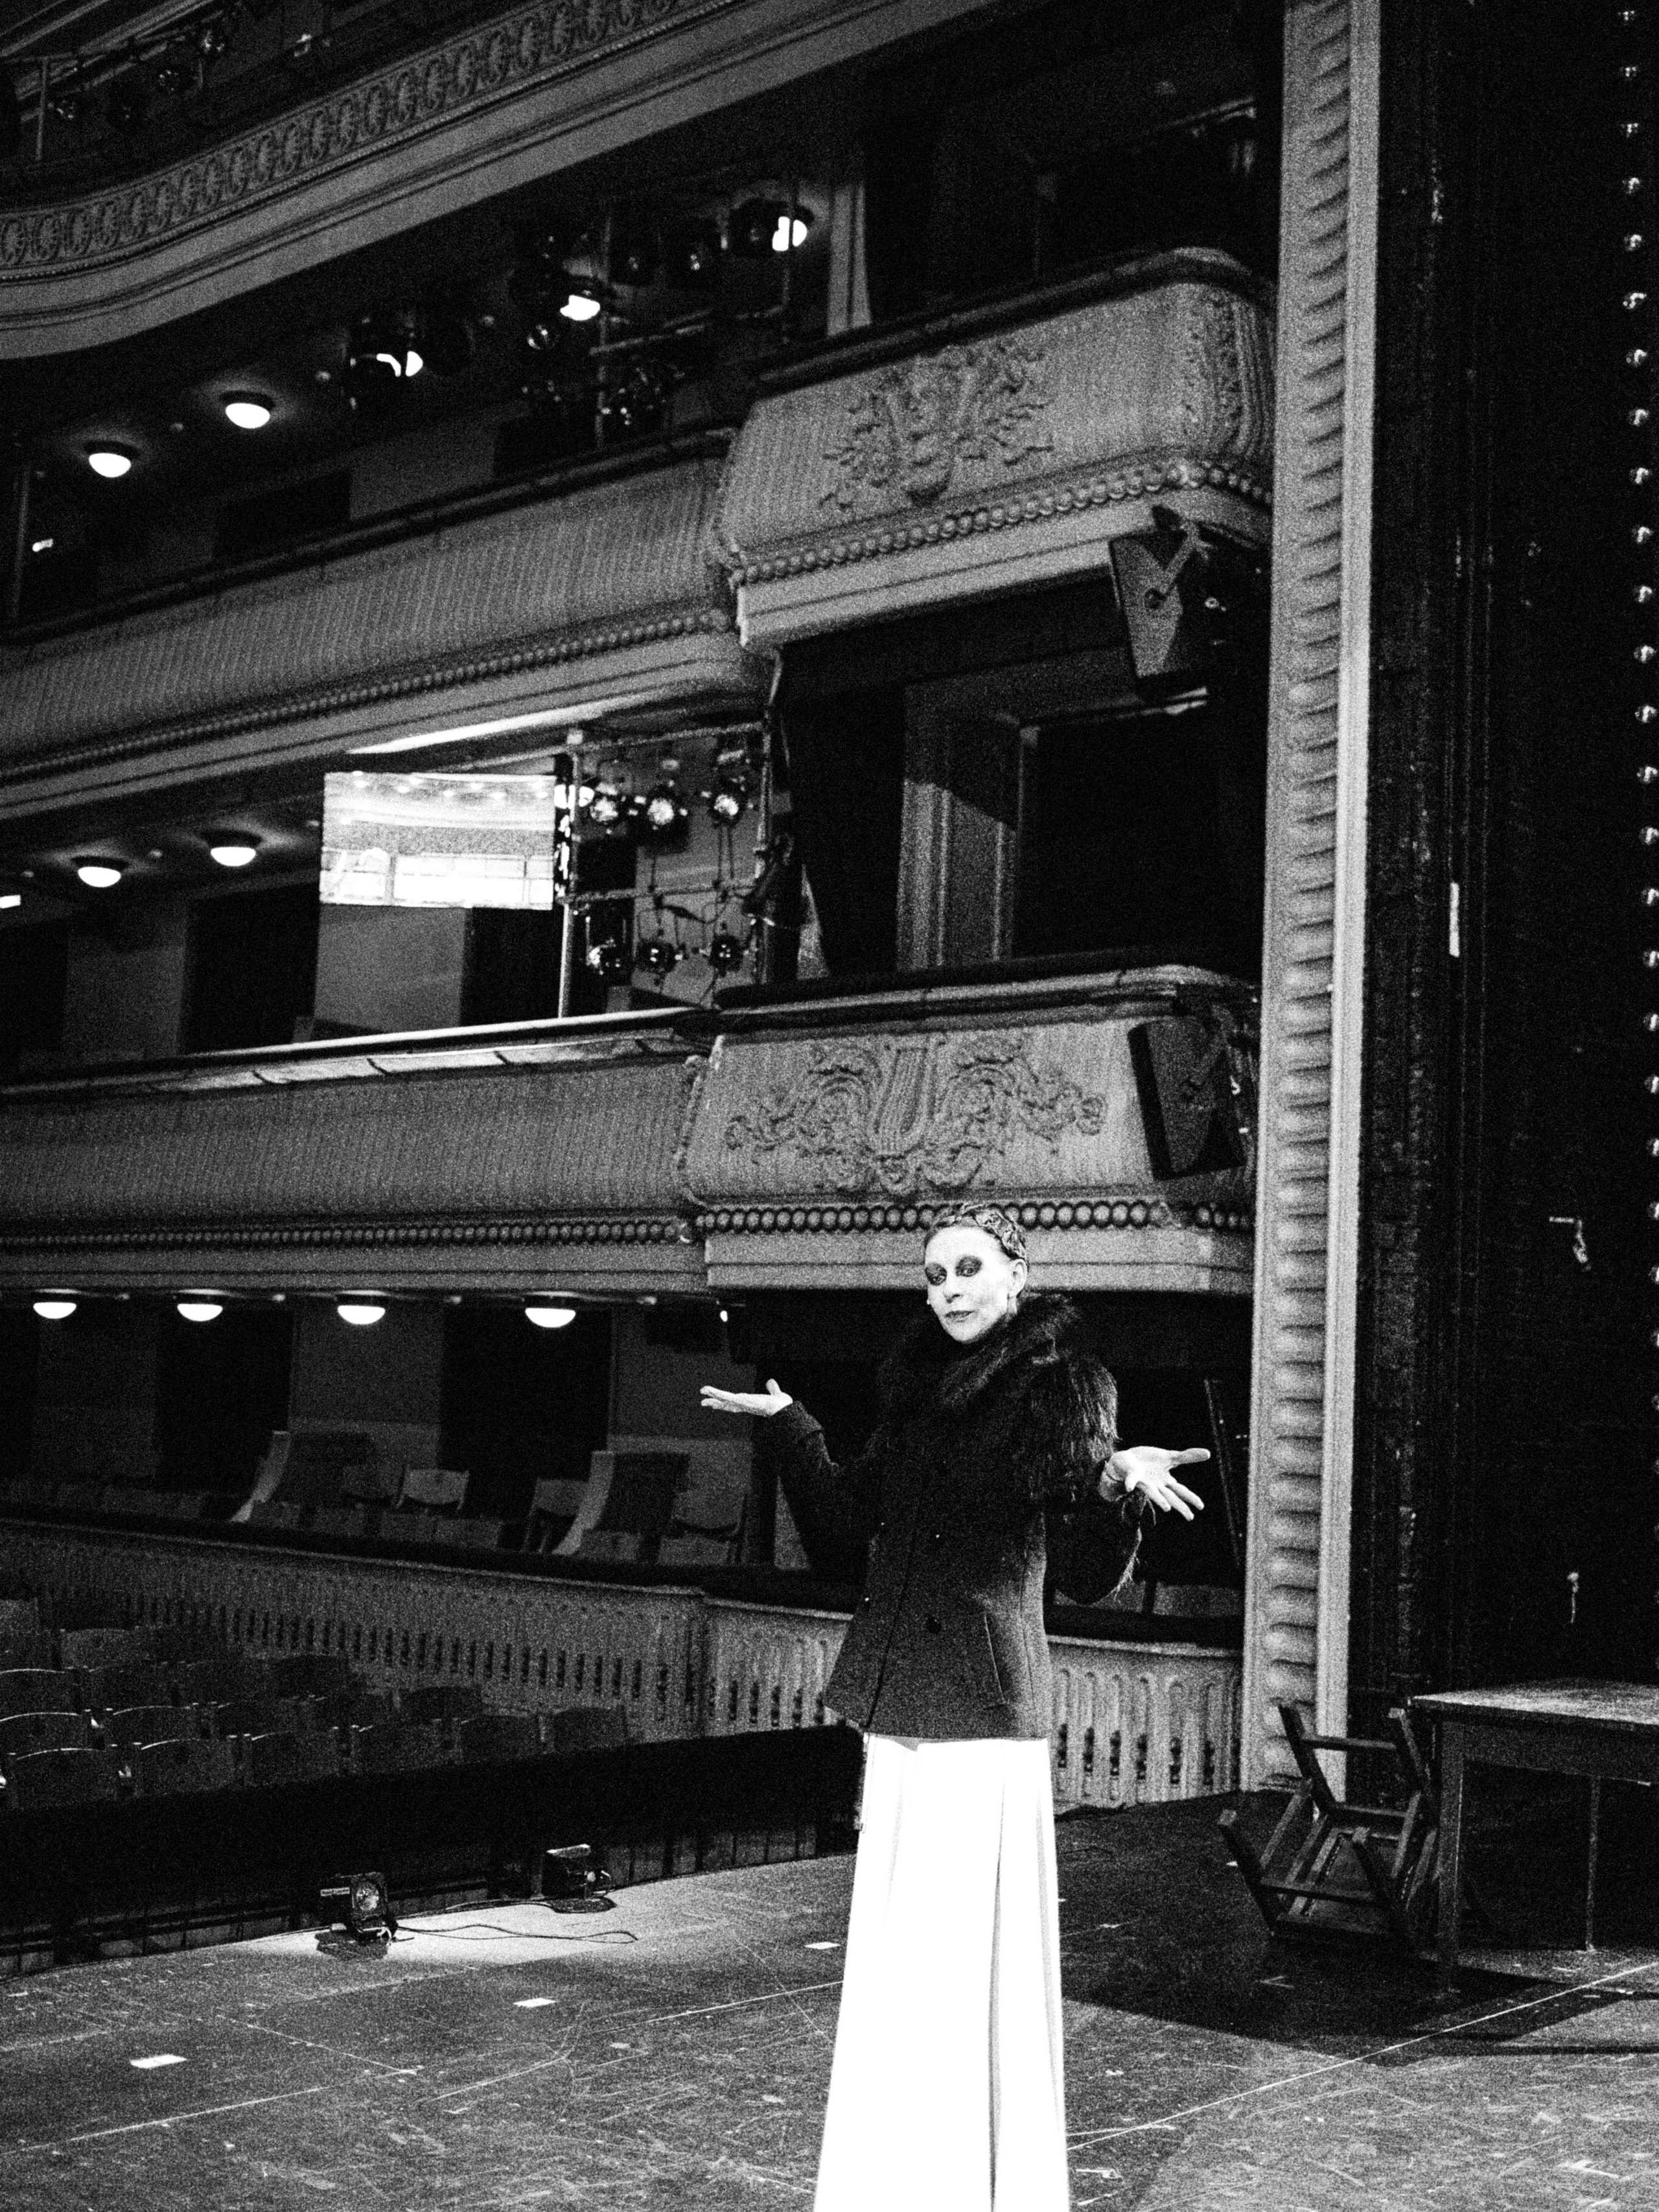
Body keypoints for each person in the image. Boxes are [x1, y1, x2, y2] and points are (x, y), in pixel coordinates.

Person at [700, 1201, 1207, 2212]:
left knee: (963, 1964)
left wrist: (1115, 1486)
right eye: (934, 1275)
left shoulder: (1064, 1388)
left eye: (969, 1268)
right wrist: (794, 1427)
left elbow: (1085, 1577)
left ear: (1016, 1274)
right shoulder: (918, 1389)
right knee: (905, 1960)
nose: (950, 1290)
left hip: (981, 1709)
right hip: (900, 1702)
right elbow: (848, 1529)